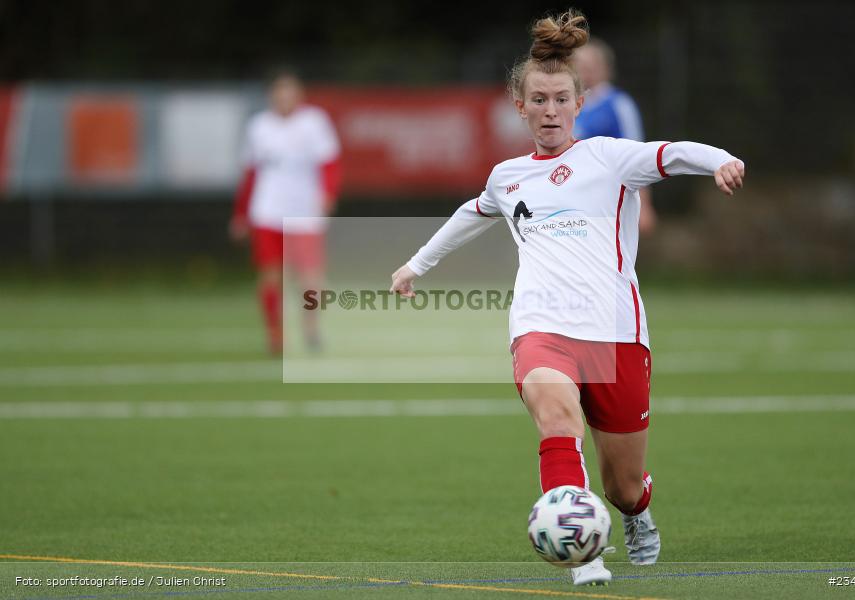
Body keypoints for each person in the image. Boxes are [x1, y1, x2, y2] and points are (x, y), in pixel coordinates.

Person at [390, 10, 744, 586]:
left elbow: (672, 152)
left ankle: (635, 513)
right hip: (542, 328)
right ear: (520, 106)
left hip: (616, 335)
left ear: (579, 104)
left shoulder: (608, 157)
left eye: (560, 99)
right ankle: (584, 554)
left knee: (623, 488)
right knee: (556, 416)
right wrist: (415, 265)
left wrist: (719, 161)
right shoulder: (507, 177)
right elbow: (470, 215)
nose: (549, 111)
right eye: (538, 100)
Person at [230, 70, 342, 355]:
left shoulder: (314, 123)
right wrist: (241, 213)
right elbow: (251, 172)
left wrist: (327, 195)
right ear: (271, 97)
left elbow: (329, 163)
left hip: (304, 212)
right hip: (267, 212)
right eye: (279, 93)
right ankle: (276, 333)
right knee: (271, 276)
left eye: (289, 92)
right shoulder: (259, 127)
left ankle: (310, 328)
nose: (284, 99)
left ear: (299, 95)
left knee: (310, 278)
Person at [572, 38, 658, 233]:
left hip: (613, 194)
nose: (584, 72)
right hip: (578, 195)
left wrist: (644, 204)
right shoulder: (570, 106)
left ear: (605, 68)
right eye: (579, 66)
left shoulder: (618, 104)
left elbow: (638, 152)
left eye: (590, 65)